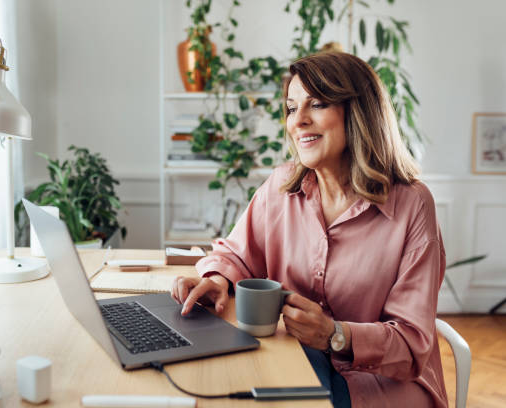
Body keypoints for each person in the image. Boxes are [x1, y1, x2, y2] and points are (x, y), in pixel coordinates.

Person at [171, 52, 448, 408]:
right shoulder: (281, 186)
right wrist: (216, 280)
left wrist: (336, 335)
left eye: (316, 104)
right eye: (290, 108)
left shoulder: (412, 205)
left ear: (359, 113)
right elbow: (236, 254)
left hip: (381, 385)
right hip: (296, 359)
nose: (297, 121)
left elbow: (412, 344)